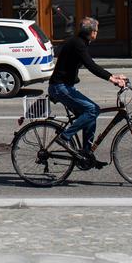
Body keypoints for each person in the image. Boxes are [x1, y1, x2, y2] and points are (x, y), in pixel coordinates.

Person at [48, 17, 127, 169]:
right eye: (96, 30)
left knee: (89, 113)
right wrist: (112, 79)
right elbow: (90, 65)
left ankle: (85, 154)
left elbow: (92, 64)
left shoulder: (79, 42)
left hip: (65, 86)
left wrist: (113, 76)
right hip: (60, 87)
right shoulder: (78, 44)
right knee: (93, 109)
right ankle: (64, 137)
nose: (97, 33)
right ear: (91, 32)